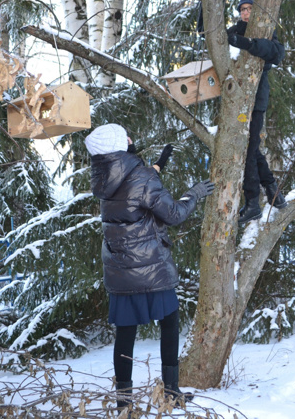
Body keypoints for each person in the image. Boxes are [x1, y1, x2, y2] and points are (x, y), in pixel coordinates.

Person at [85, 123, 214, 413]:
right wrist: (193, 193)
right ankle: (171, 391)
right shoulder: (141, 177)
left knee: (125, 335)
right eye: (126, 136)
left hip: (120, 268)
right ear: (121, 145)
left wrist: (157, 166)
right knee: (169, 323)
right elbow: (174, 214)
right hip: (151, 268)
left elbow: (133, 190)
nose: (132, 138)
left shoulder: (104, 176)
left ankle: (124, 403)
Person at [227, 0, 288, 224]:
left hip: (256, 101)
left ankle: (254, 202)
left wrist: (249, 44)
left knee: (249, 149)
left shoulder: (266, 32)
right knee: (251, 148)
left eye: (249, 9)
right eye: (242, 10)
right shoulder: (235, 31)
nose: (244, 13)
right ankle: (273, 193)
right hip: (238, 100)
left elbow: (276, 53)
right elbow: (220, 41)